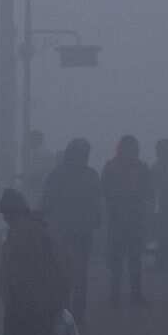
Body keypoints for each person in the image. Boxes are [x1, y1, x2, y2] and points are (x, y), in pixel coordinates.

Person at [0, 189, 67, 335]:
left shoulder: (22, 232)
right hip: (41, 303)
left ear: (13, 213)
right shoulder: (36, 228)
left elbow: (19, 271)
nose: (5, 219)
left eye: (6, 214)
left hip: (28, 305)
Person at [41, 139, 102, 324]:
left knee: (78, 274)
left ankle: (76, 313)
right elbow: (48, 200)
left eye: (85, 154)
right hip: (63, 230)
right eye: (81, 154)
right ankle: (65, 310)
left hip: (79, 231)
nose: (84, 157)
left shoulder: (88, 175)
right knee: (64, 272)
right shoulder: (60, 175)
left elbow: (97, 201)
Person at [101, 135, 153, 306]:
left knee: (133, 258)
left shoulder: (139, 168)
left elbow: (147, 192)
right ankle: (116, 294)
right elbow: (105, 191)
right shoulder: (112, 167)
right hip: (119, 219)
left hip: (133, 219)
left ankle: (134, 294)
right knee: (117, 259)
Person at [23, 130, 57, 206]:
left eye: (30, 140)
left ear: (35, 140)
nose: (28, 143)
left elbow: (37, 173)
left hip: (40, 190)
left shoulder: (40, 154)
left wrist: (26, 178)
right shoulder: (44, 153)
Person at [152, 140, 168, 272]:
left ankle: (162, 261)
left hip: (162, 205)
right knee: (162, 235)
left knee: (162, 235)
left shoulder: (156, 167)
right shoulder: (156, 167)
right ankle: (162, 261)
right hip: (162, 205)